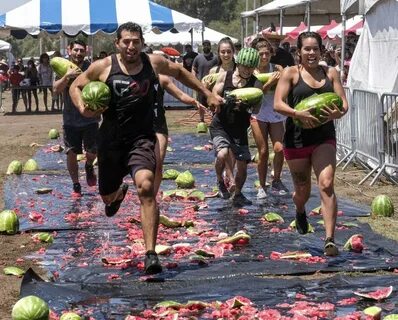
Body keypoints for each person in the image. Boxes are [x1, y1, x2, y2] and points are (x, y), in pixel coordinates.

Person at [69, 22, 222, 274]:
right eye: (126, 41)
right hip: (110, 141)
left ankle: (151, 254)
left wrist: (207, 93)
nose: (131, 46)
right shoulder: (103, 66)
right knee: (106, 195)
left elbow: (180, 73)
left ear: (141, 42)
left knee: (147, 187)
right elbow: (77, 85)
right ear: (117, 43)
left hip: (142, 138)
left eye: (135, 41)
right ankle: (116, 195)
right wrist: (83, 107)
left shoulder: (154, 63)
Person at [274, 31, 348, 256]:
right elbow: (278, 104)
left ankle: (329, 239)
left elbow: (344, 105)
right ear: (299, 52)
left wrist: (338, 113)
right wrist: (297, 113)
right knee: (302, 192)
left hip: (324, 137)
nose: (311, 53)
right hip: (296, 140)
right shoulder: (291, 74)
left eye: (315, 48)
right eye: (307, 49)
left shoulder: (331, 73)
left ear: (321, 50)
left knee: (326, 184)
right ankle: (300, 211)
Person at [144, 47, 205, 195]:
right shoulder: (131, 79)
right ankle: (144, 191)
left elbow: (180, 94)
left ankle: (153, 196)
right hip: (139, 125)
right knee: (144, 164)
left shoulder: (162, 79)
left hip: (158, 124)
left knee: (158, 163)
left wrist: (194, 102)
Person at [210, 47, 262, 206]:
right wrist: (223, 100)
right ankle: (220, 181)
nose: (247, 70)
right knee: (222, 154)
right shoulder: (225, 76)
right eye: (245, 66)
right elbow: (213, 96)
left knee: (243, 167)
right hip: (220, 125)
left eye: (251, 67)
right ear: (238, 63)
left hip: (239, 129)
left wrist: (247, 105)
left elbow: (257, 109)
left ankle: (238, 193)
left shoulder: (256, 83)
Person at [53, 40, 99, 195]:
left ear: (86, 51)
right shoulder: (63, 67)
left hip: (91, 117)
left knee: (92, 151)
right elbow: (55, 90)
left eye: (81, 50)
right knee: (71, 153)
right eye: (76, 50)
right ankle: (76, 185)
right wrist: (67, 76)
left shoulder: (91, 67)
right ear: (69, 50)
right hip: (70, 119)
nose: (78, 53)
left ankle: (89, 165)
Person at [250, 37, 289, 199]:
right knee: (263, 151)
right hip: (258, 113)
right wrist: (269, 83)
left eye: (267, 53)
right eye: (261, 54)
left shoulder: (278, 68)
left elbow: (287, 87)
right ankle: (261, 185)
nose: (264, 57)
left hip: (276, 113)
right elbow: (255, 95)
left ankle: (277, 180)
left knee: (279, 148)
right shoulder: (252, 72)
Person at [192, 40, 218, 122]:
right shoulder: (198, 58)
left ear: (210, 46)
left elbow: (219, 68)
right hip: (201, 85)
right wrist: (194, 78)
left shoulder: (215, 58)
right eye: (204, 45)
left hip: (212, 85)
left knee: (213, 103)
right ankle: (201, 120)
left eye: (208, 45)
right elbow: (193, 68)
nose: (206, 47)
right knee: (201, 104)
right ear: (202, 47)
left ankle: (214, 119)